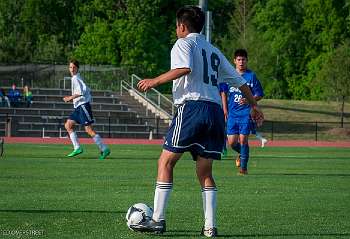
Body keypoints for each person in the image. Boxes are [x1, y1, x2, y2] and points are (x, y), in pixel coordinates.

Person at [130, 6, 264, 238]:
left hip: (192, 108)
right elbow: (240, 82)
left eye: (176, 25)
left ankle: (158, 220)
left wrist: (154, 81)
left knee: (165, 163)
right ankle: (210, 227)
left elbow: (184, 68)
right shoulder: (213, 50)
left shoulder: (183, 43)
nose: (175, 29)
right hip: (214, 114)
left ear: (182, 26)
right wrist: (254, 105)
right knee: (205, 172)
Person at [219, 49, 266, 175]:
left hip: (246, 113)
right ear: (234, 61)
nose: (241, 62)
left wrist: (249, 99)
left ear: (247, 61)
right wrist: (224, 109)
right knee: (232, 142)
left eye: (243, 59)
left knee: (243, 140)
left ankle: (243, 169)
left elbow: (260, 94)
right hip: (232, 114)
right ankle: (242, 153)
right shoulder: (229, 75)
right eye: (239, 60)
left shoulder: (251, 76)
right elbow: (223, 92)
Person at [63, 59, 110, 160]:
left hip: (83, 105)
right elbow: (86, 89)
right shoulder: (77, 78)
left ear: (77, 68)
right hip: (78, 107)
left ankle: (104, 148)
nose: (71, 69)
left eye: (74, 67)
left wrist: (69, 98)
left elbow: (80, 92)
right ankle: (77, 148)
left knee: (88, 129)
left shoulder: (75, 78)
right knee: (68, 125)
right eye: (70, 67)